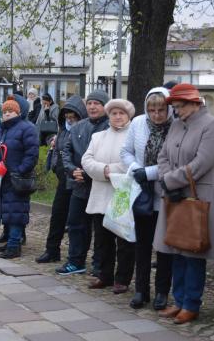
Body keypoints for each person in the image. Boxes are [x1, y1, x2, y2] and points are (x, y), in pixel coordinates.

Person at [156, 83, 214, 324]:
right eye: (175, 107)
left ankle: (191, 303)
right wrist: (166, 178)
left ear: (195, 103)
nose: (177, 111)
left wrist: (169, 181)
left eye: (180, 106)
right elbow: (163, 155)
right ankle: (179, 299)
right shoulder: (176, 123)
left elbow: (201, 163)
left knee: (193, 250)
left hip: (196, 196)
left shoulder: (211, 125)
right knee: (176, 248)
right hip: (175, 195)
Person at [120, 87, 174, 310]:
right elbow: (126, 151)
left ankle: (162, 291)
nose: (157, 115)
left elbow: (174, 160)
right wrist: (136, 169)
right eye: (152, 110)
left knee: (163, 247)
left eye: (161, 110)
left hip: (165, 192)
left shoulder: (176, 126)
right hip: (142, 192)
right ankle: (141, 289)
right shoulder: (138, 123)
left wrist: (150, 172)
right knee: (141, 244)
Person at [83, 99, 135, 294]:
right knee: (102, 240)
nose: (118, 117)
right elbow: (86, 160)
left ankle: (123, 278)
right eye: (114, 113)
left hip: (121, 194)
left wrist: (108, 171)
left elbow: (131, 163)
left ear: (128, 115)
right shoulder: (98, 137)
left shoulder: (133, 136)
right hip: (100, 195)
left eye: (122, 113)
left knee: (123, 240)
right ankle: (104, 275)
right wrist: (103, 171)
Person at [56, 90, 110, 275]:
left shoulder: (110, 127)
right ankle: (76, 260)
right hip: (79, 184)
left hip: (100, 185)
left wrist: (88, 172)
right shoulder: (79, 127)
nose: (93, 107)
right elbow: (66, 151)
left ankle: (100, 264)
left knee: (101, 229)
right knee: (76, 223)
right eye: (90, 103)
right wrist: (72, 170)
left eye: (97, 103)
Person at [0, 97, 39, 258]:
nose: (7, 114)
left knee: (16, 212)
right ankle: (9, 240)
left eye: (11, 111)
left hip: (16, 179)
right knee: (5, 210)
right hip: (0, 178)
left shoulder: (26, 128)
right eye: (5, 111)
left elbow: (31, 153)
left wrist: (19, 171)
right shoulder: (0, 129)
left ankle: (15, 245)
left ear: (18, 112)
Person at [35, 95, 87, 263]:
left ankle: (77, 256)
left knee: (76, 221)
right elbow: (59, 151)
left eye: (73, 117)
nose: (70, 120)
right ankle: (52, 250)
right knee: (57, 215)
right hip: (63, 178)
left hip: (79, 179)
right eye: (67, 117)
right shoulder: (63, 131)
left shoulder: (84, 131)